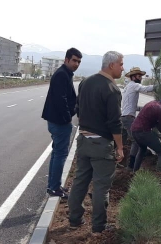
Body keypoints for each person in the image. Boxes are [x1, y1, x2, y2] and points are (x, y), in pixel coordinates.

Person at [67, 51, 125, 233]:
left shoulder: (85, 82)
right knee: (101, 186)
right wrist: (120, 148)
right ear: (111, 65)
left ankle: (74, 219)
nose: (123, 68)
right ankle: (98, 226)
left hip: (84, 140)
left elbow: (78, 108)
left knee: (80, 181)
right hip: (101, 144)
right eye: (121, 64)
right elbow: (115, 123)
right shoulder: (112, 90)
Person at [41, 47, 82, 197]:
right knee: (60, 154)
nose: (76, 64)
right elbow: (60, 100)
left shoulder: (66, 74)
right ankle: (54, 188)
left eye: (79, 61)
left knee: (57, 153)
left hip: (58, 120)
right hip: (59, 122)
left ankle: (53, 186)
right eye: (74, 60)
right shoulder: (61, 75)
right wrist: (67, 118)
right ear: (66, 60)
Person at [131, 96, 161, 174]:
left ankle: (135, 171)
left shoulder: (154, 103)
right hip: (143, 132)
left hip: (134, 130)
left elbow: (155, 122)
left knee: (142, 149)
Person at [120, 66, 155, 168]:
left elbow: (132, 106)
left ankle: (129, 164)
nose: (140, 78)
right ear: (133, 77)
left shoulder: (128, 87)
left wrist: (144, 108)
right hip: (128, 118)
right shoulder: (134, 85)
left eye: (141, 76)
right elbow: (145, 89)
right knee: (136, 140)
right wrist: (158, 86)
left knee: (134, 140)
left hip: (126, 117)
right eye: (139, 76)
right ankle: (131, 166)